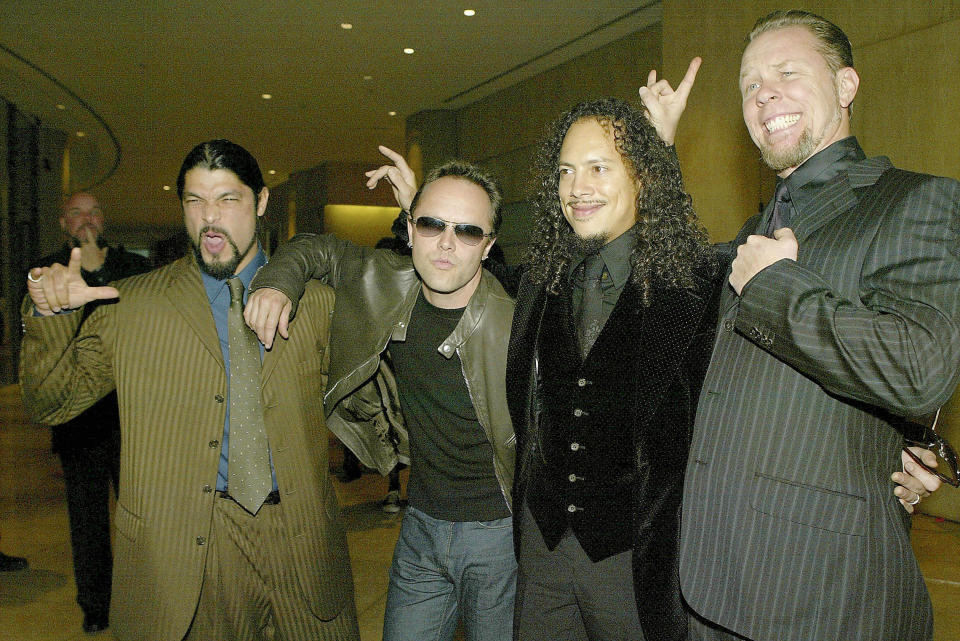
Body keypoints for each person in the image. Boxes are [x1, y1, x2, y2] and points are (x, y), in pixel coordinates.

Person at [679, 10, 960, 641]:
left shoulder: (917, 201)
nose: (763, 94)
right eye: (750, 84)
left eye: (787, 72)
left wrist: (776, 285)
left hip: (825, 595)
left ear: (846, 86)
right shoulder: (749, 235)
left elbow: (921, 368)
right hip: (711, 583)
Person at [19, 140, 359, 641]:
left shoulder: (317, 304)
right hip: (189, 551)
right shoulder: (133, 305)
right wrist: (51, 315)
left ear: (261, 202)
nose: (210, 219)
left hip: (301, 541)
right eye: (195, 201)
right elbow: (51, 402)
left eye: (227, 199)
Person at [244, 159, 517, 641]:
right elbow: (315, 248)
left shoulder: (517, 321)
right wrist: (275, 282)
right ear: (409, 229)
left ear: (489, 246)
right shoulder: (388, 281)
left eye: (468, 231)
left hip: (499, 539)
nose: (447, 243)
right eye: (432, 224)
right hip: (421, 529)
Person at [505, 79, 724, 640]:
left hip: (635, 561)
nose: (577, 187)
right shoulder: (540, 280)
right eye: (566, 171)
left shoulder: (694, 288)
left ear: (642, 177)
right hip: (543, 549)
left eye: (599, 168)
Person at [26, 191, 151, 633]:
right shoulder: (47, 272)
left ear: (104, 219)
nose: (86, 219)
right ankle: (96, 606)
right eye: (76, 213)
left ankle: (147, 598)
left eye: (94, 210)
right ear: (63, 223)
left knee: (143, 518)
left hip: (134, 417)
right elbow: (38, 343)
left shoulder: (135, 269)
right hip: (78, 424)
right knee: (88, 521)